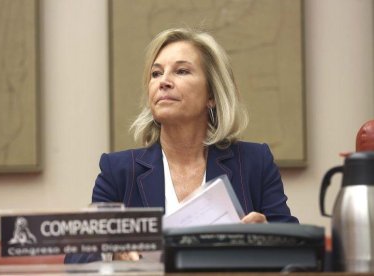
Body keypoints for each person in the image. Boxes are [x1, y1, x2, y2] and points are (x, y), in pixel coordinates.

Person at [65, 27, 298, 263]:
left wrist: (268, 236)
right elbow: (78, 256)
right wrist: (114, 253)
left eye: (182, 71)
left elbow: (299, 252)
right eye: (156, 74)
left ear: (212, 95)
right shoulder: (118, 171)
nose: (163, 82)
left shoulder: (254, 162)